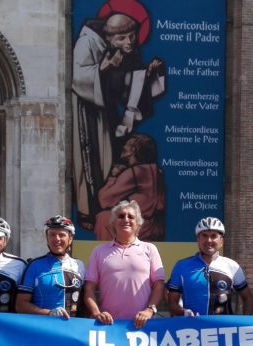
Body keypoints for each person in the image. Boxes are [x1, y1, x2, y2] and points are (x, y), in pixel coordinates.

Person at [72, 2, 165, 229]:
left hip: (108, 114)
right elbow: (78, 77)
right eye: (123, 38)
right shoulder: (88, 41)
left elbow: (130, 85)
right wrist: (104, 68)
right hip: (88, 113)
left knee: (110, 156)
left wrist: (151, 74)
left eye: (132, 36)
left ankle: (104, 208)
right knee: (92, 158)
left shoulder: (127, 54)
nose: (130, 42)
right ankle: (88, 211)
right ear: (109, 36)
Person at [83, 200, 164, 328]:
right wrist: (97, 313)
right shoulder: (99, 251)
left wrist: (149, 310)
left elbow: (159, 285)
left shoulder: (150, 249)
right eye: (121, 216)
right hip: (108, 326)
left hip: (143, 325)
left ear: (138, 224)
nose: (126, 219)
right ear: (113, 223)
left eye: (131, 217)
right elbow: (89, 288)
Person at [167, 217, 253, 316]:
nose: (209, 240)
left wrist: (245, 324)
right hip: (193, 327)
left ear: (221, 241)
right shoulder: (181, 266)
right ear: (198, 240)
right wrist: (183, 312)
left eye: (213, 236)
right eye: (204, 236)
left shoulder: (232, 266)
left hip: (225, 329)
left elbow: (248, 298)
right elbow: (172, 303)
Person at [94, 133, 166, 241]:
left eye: (127, 144)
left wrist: (113, 177)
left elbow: (104, 200)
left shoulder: (135, 172)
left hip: (139, 228)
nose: (123, 147)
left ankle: (107, 254)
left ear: (133, 149)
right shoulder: (155, 171)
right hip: (154, 227)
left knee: (103, 217)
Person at [17, 216, 86, 317]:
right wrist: (49, 313)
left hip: (71, 329)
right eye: (52, 235)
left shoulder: (79, 265)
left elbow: (84, 302)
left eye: (61, 235)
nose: (56, 239)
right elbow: (20, 305)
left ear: (70, 239)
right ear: (47, 238)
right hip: (44, 329)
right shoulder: (34, 265)